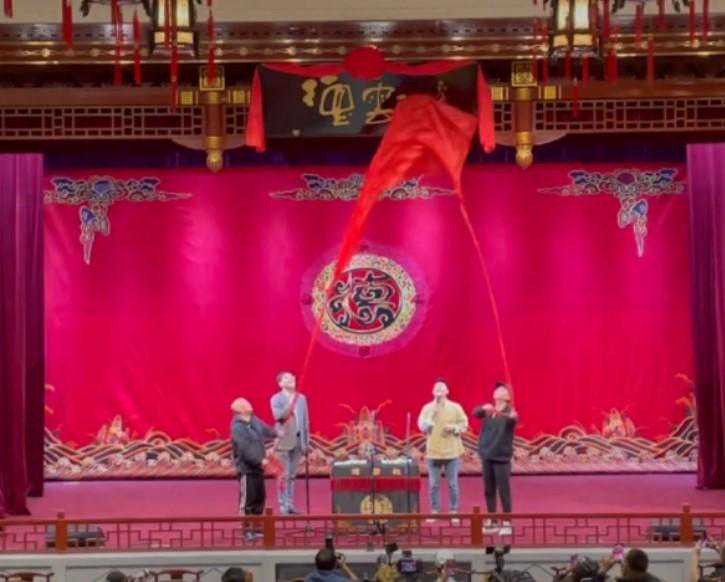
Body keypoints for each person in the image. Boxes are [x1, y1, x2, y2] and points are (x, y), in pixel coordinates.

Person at [417, 379, 468, 522]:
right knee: (433, 484)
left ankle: (454, 510)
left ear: (447, 391)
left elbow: (464, 425)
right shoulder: (427, 408)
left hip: (451, 451)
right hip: (434, 451)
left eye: (442, 389)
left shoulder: (455, 407)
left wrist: (454, 428)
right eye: (436, 389)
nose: (439, 391)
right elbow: (422, 427)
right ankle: (435, 510)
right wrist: (430, 419)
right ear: (433, 392)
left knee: (453, 484)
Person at [473, 382, 518, 535]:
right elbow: (475, 413)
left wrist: (509, 416)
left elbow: (513, 420)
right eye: (497, 389)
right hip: (487, 455)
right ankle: (492, 521)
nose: (498, 391)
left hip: (501, 457)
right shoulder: (488, 410)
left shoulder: (509, 412)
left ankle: (507, 523)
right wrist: (483, 408)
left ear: (507, 396)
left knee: (503, 491)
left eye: (502, 389)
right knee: (489, 490)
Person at [230, 397, 277, 539]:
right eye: (245, 404)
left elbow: (267, 431)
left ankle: (256, 527)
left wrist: (279, 432)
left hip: (258, 468)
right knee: (248, 500)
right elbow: (245, 448)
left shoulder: (254, 420)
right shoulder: (237, 427)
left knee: (259, 498)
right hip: (247, 469)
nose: (249, 404)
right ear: (239, 409)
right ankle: (247, 529)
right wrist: (260, 460)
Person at [270, 371, 310, 515]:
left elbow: (305, 421)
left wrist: (306, 442)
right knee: (283, 475)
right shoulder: (276, 398)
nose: (291, 379)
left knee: (292, 475)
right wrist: (291, 404)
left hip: (299, 440)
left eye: (292, 377)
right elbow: (278, 416)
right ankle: (283, 506)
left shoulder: (302, 398)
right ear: (280, 383)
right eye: (286, 378)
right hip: (284, 440)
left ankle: (290, 504)